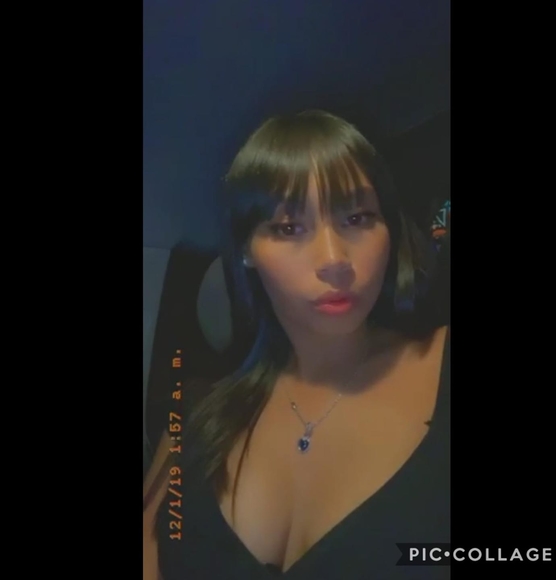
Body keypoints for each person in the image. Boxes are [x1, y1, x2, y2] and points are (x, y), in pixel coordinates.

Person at [143, 109, 450, 579]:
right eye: (288, 227)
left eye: (357, 218)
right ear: (246, 249)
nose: (333, 259)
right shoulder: (193, 421)